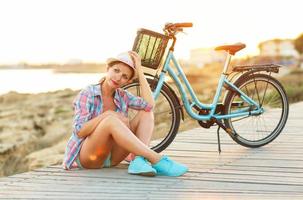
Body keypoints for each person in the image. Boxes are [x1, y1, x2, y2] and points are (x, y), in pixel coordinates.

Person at [62, 51, 188, 177]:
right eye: (116, 71)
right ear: (108, 69)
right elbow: (79, 131)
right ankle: (156, 159)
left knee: (146, 113)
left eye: (124, 76)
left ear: (128, 82)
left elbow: (149, 105)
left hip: (112, 158)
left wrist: (140, 71)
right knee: (110, 119)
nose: (118, 78)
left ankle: (139, 161)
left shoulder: (122, 96)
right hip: (89, 157)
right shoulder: (88, 93)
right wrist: (107, 115)